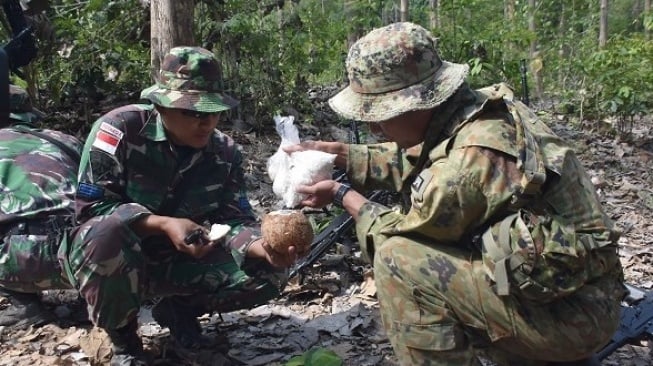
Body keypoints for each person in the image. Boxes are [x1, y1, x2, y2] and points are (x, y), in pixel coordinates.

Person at [285, 22, 625, 366]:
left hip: (571, 317)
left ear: (418, 103)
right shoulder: (475, 111)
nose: (374, 128)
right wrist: (341, 154)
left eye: (380, 116)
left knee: (398, 261)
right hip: (571, 293)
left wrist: (344, 195)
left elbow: (404, 228)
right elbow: (415, 159)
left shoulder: (472, 157)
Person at [68, 46, 297, 366]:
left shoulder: (225, 153)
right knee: (104, 233)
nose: (206, 123)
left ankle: (180, 311)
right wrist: (161, 224)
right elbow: (90, 210)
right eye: (192, 113)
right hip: (115, 259)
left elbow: (235, 219)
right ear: (161, 105)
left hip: (179, 261)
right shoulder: (119, 129)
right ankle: (124, 341)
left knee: (268, 271)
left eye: (213, 112)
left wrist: (261, 246)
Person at [0, 85, 82, 328]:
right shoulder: (66, 140)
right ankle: (94, 300)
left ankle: (24, 306)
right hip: (84, 254)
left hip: (21, 261)